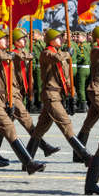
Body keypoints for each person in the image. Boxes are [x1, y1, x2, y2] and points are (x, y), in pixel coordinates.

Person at [0, 29, 45, 175]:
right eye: (4, 39)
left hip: (4, 99)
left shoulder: (8, 56)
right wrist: (10, 55)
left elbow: (20, 57)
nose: (7, 41)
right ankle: (28, 162)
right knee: (8, 126)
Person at [27, 29, 91, 166]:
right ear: (50, 40)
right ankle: (85, 156)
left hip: (59, 94)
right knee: (65, 123)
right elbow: (55, 58)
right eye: (58, 38)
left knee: (40, 128)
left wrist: (70, 93)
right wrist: (67, 53)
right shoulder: (46, 53)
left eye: (61, 38)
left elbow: (66, 76)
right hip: (50, 94)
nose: (61, 40)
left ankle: (26, 160)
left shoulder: (60, 54)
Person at [10, 29, 60, 163]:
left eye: (25, 39)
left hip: (19, 92)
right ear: (14, 42)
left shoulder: (22, 52)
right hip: (11, 93)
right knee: (27, 121)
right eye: (22, 39)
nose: (25, 41)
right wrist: (29, 55)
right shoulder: (13, 54)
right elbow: (20, 57)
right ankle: (42, 149)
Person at [74, 26, 99, 163]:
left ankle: (77, 153)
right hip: (97, 89)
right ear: (98, 39)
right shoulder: (96, 49)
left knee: (88, 124)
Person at [76, 32, 91, 113]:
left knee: (81, 88)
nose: (77, 38)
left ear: (84, 38)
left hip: (82, 68)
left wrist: (75, 60)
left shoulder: (82, 46)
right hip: (87, 68)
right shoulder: (88, 45)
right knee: (85, 87)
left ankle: (83, 106)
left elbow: (83, 58)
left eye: (78, 37)